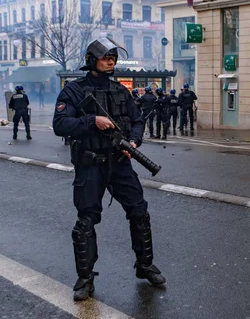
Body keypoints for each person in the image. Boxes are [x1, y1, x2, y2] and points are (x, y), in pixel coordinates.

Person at [52, 37, 166, 301]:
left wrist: (134, 141)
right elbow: (60, 123)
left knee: (139, 210)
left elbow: (137, 121)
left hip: (120, 162)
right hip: (91, 164)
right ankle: (85, 277)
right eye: (106, 57)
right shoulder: (74, 91)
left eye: (113, 58)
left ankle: (145, 265)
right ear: (92, 60)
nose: (111, 61)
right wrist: (93, 120)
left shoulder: (120, 91)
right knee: (86, 220)